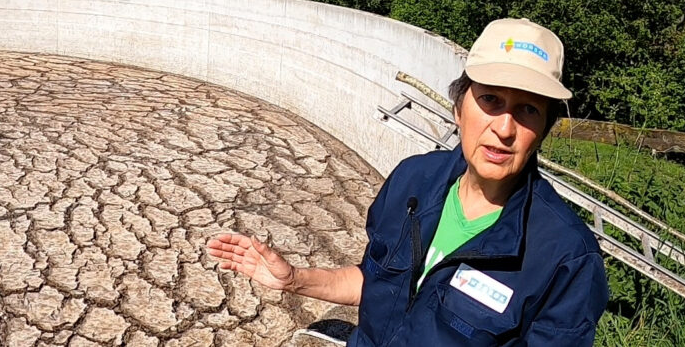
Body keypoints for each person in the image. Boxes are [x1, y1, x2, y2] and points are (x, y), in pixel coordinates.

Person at [207, 18, 608, 345]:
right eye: (491, 100)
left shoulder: (566, 258)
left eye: (527, 110)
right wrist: (295, 280)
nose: (504, 128)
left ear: (544, 129)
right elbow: (375, 284)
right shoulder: (414, 180)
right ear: (459, 108)